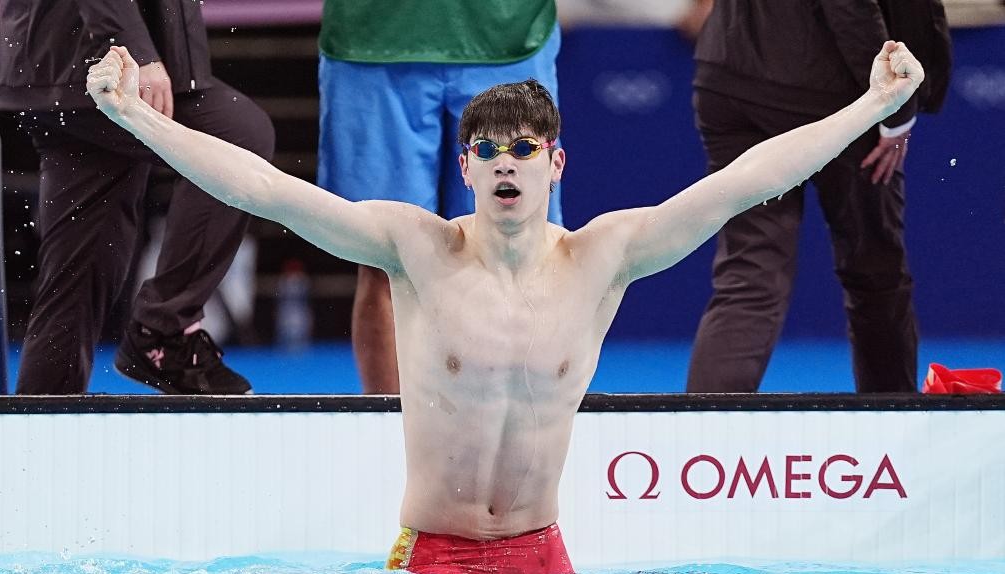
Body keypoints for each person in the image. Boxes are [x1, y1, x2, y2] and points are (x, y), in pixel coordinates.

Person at [86, 40, 925, 573]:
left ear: (555, 162)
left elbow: (747, 180)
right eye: (486, 151)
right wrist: (132, 117)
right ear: (467, 168)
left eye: (523, 148)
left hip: (542, 549)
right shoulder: (417, 250)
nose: (505, 163)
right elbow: (266, 189)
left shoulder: (604, 258)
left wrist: (872, 107)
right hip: (435, 553)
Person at [0, 0, 275, 395]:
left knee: (80, 265)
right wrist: (136, 50)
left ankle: (41, 417)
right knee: (238, 136)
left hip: (61, 67)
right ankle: (161, 332)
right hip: (94, 65)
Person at [686, 0, 951, 393]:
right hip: (841, 93)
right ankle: (889, 425)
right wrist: (893, 106)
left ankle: (701, 439)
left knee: (749, 278)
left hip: (729, 76)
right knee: (875, 272)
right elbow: (850, 7)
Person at [317, 0, 563, 394]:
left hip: (508, 30)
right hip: (374, 36)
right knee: (385, 255)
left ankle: (519, 433)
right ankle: (391, 436)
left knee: (518, 247)